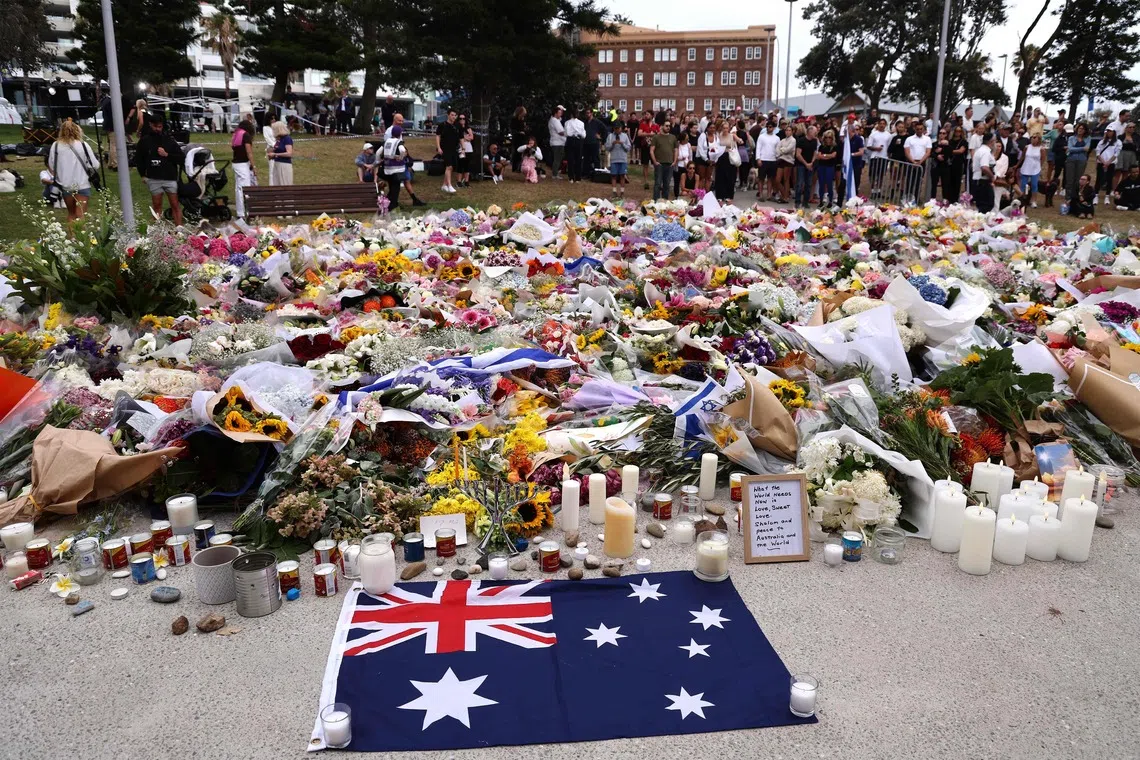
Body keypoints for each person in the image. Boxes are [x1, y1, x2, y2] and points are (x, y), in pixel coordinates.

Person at [46, 120, 98, 224]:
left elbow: (51, 165)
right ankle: (81, 239)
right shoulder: (83, 145)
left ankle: (72, 238)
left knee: (71, 214)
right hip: (82, 183)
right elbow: (95, 165)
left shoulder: (56, 145)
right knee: (81, 214)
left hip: (65, 184)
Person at [135, 114, 182, 225]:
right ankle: (157, 232)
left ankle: (180, 229)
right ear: (150, 125)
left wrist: (167, 155)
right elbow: (139, 159)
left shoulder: (169, 140)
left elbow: (181, 158)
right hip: (154, 178)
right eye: (155, 126)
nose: (158, 129)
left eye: (160, 127)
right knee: (157, 205)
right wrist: (142, 174)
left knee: (175, 204)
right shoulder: (144, 141)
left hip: (169, 177)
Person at [231, 116, 256, 219]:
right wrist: (253, 165)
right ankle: (245, 212)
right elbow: (249, 152)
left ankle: (240, 211)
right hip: (242, 164)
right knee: (245, 188)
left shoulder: (236, 134)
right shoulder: (246, 135)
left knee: (238, 188)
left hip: (236, 163)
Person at [649, 118, 678, 200]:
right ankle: (655, 202)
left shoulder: (673, 137)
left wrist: (674, 161)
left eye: (669, 126)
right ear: (662, 127)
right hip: (660, 164)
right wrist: (655, 162)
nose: (668, 127)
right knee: (658, 184)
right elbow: (651, 151)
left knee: (667, 184)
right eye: (666, 126)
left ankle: (664, 202)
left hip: (670, 164)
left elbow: (676, 150)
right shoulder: (656, 137)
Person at [380, 125, 408, 208]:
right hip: (397, 169)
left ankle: (387, 203)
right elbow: (403, 150)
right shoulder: (398, 142)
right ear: (400, 134)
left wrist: (378, 161)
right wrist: (401, 157)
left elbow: (378, 153)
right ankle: (393, 205)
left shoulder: (387, 141)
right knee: (396, 188)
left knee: (391, 186)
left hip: (387, 169)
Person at [711, 120, 738, 202]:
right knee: (720, 177)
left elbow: (738, 141)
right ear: (721, 128)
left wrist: (739, 140)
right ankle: (720, 196)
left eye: (727, 128)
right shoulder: (718, 136)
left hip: (730, 157)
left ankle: (728, 195)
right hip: (721, 157)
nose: (725, 129)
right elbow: (716, 146)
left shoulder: (732, 136)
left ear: (729, 128)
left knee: (730, 178)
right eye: (724, 128)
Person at [1016, 133, 1046, 208]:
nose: (1033, 138)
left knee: (1034, 185)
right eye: (1032, 137)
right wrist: (1017, 165)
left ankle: (1033, 200)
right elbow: (1022, 157)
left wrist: (1039, 166)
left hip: (1035, 168)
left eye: (1035, 137)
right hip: (1026, 166)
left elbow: (1043, 159)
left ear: (1038, 139)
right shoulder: (1027, 147)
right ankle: (1021, 199)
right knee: (1023, 184)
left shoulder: (1041, 149)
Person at [436, 109, 461, 193]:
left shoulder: (457, 125)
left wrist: (463, 148)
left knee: (451, 167)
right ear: (448, 115)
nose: (454, 117)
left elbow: (461, 137)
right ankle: (449, 185)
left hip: (454, 149)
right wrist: (438, 147)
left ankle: (444, 185)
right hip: (445, 149)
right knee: (449, 166)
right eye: (452, 115)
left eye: (455, 115)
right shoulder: (442, 125)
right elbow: (438, 136)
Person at [864, 118, 891, 197]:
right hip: (874, 157)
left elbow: (889, 146)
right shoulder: (873, 134)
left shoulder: (888, 135)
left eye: (883, 124)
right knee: (872, 174)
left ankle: (878, 191)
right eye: (880, 123)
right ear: (878, 124)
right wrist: (876, 148)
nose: (882, 125)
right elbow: (868, 146)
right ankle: (873, 190)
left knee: (881, 175)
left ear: (885, 125)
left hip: (884, 157)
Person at [794, 124, 819, 207]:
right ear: (810, 131)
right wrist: (806, 163)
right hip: (801, 164)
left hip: (810, 164)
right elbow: (798, 154)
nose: (816, 133)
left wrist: (811, 162)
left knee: (808, 183)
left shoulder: (815, 141)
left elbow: (815, 153)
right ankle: (797, 201)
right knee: (800, 183)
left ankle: (805, 202)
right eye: (815, 132)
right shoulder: (801, 141)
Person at [1065, 123, 1091, 203]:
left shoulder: (1088, 138)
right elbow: (1070, 149)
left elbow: (1087, 149)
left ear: (1085, 130)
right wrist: (1082, 148)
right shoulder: (1071, 138)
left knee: (1078, 180)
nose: (1080, 130)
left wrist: (1075, 149)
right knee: (1069, 180)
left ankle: (1076, 197)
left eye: (1082, 129)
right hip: (1071, 160)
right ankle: (1068, 198)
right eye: (1079, 128)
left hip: (1082, 160)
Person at [604, 122, 631, 197]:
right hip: (614, 159)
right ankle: (614, 191)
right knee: (613, 176)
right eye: (615, 128)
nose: (617, 130)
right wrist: (612, 144)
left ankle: (622, 192)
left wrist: (622, 144)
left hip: (622, 159)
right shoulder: (610, 136)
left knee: (622, 176)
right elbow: (607, 147)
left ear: (621, 128)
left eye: (618, 128)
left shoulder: (625, 136)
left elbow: (628, 148)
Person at [755, 120, 780, 202]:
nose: (769, 128)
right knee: (761, 178)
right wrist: (758, 158)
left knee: (770, 178)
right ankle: (761, 194)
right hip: (763, 159)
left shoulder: (777, 138)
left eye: (770, 127)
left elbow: (777, 149)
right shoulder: (761, 136)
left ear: (773, 128)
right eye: (767, 127)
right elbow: (758, 147)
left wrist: (777, 157)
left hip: (772, 160)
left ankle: (769, 195)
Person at [942, 125, 968, 204]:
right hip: (949, 164)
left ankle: (955, 200)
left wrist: (950, 151)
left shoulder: (963, 142)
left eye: (959, 131)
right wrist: (951, 151)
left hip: (958, 164)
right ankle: (947, 199)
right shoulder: (949, 141)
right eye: (956, 131)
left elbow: (961, 151)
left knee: (956, 182)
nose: (958, 133)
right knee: (947, 182)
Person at [1094, 128, 1120, 205]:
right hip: (1101, 163)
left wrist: (1108, 163)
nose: (1108, 133)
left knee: (1109, 179)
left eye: (1110, 131)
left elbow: (1116, 154)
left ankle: (1107, 196)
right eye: (1107, 131)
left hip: (1111, 163)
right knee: (1099, 179)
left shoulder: (1118, 142)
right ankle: (1095, 196)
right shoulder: (1101, 142)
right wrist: (1103, 162)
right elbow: (1098, 153)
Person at [972, 134, 996, 213]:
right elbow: (984, 167)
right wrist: (992, 177)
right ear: (991, 141)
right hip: (983, 182)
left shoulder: (980, 150)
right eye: (995, 141)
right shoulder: (985, 152)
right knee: (986, 205)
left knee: (984, 205)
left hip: (979, 181)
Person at [267, 121, 294, 186]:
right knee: (276, 184)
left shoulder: (287, 138)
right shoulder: (279, 139)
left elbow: (289, 153)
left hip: (284, 165)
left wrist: (275, 154)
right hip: (277, 163)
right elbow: (277, 149)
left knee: (284, 184)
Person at [775, 126, 797, 204]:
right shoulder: (782, 140)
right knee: (777, 180)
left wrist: (782, 150)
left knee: (786, 179)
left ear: (792, 131)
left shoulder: (793, 140)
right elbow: (777, 149)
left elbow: (788, 150)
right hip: (781, 160)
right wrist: (782, 150)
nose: (787, 132)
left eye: (789, 130)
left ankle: (785, 197)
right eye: (786, 130)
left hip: (788, 161)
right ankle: (785, 195)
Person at [583, 108, 607, 178]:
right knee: (586, 159)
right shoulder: (585, 122)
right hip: (586, 143)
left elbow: (605, 129)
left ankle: (597, 174)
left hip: (594, 143)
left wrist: (601, 138)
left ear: (591, 113)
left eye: (588, 113)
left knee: (595, 158)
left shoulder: (597, 122)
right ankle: (586, 173)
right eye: (586, 113)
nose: (587, 114)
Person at [564, 109, 585, 183]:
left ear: (571, 115)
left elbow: (566, 133)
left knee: (570, 159)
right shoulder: (581, 123)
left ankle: (571, 177)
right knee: (578, 159)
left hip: (570, 140)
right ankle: (578, 177)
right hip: (578, 140)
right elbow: (583, 134)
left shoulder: (567, 123)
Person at [1116, 122, 1138, 191]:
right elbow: (1117, 146)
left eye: (1133, 127)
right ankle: (1114, 190)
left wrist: (1132, 142)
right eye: (1130, 127)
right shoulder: (1120, 136)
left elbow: (1137, 147)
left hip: (1131, 155)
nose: (1132, 128)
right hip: (1120, 155)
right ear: (1126, 128)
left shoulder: (1137, 136)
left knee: (1126, 173)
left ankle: (1122, 189)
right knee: (1117, 172)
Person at [547, 106, 567, 180]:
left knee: (558, 158)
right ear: (555, 113)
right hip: (557, 142)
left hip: (557, 142)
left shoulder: (554, 120)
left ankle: (555, 172)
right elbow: (561, 132)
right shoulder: (555, 121)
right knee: (557, 158)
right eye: (559, 113)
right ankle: (555, 174)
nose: (561, 114)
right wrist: (568, 133)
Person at [992, 142, 1011, 210]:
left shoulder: (1005, 157)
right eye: (996, 146)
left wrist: (995, 177)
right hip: (989, 179)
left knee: (996, 200)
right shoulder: (989, 155)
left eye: (1000, 146)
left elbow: (1003, 170)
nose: (998, 148)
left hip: (998, 180)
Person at [456, 116, 474, 188]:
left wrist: (464, 137)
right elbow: (458, 138)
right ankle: (459, 182)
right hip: (460, 149)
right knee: (460, 165)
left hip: (469, 149)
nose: (462, 120)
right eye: (460, 118)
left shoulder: (468, 128)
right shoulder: (457, 128)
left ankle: (466, 181)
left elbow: (471, 137)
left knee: (467, 165)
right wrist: (466, 137)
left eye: (464, 118)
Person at [673, 133, 692, 198]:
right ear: (682, 139)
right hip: (678, 166)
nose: (688, 140)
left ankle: (686, 195)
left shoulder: (688, 145)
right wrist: (680, 158)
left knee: (685, 182)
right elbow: (674, 156)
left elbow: (690, 156)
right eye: (686, 139)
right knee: (677, 182)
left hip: (686, 166)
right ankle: (676, 196)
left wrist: (690, 164)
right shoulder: (677, 145)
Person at [510, 106, 528, 172]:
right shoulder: (514, 119)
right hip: (517, 138)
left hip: (522, 138)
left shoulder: (523, 120)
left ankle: (520, 167)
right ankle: (514, 167)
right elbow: (512, 129)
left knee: (522, 152)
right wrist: (519, 132)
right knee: (516, 152)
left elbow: (523, 128)